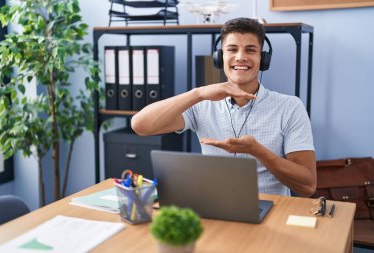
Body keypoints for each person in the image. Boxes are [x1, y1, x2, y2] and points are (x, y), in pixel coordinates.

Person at [131, 17, 316, 197]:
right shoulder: (202, 104)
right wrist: (198, 93)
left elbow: (307, 186)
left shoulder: (289, 107)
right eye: (232, 49)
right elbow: (140, 125)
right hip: (216, 207)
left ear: (263, 58)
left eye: (250, 50)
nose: (241, 57)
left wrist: (258, 152)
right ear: (220, 57)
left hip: (272, 211)